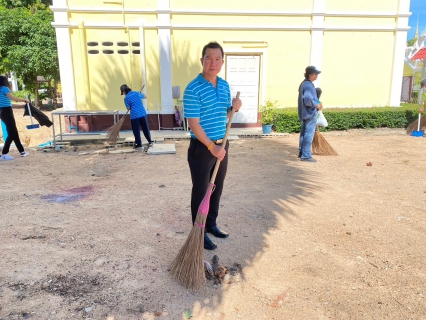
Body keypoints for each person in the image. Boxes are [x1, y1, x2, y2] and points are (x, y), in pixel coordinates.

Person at [183, 41, 242, 250]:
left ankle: (211, 224)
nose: (213, 62)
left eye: (217, 59)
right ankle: (198, 231)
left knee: (216, 188)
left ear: (222, 62)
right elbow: (194, 124)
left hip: (222, 144)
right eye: (209, 58)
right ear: (202, 61)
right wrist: (211, 147)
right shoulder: (193, 88)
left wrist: (233, 108)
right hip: (202, 148)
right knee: (201, 190)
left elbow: (225, 113)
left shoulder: (225, 86)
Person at [0, 76, 30, 160]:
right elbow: (12, 98)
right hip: (7, 112)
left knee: (14, 131)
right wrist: (24, 100)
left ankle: (22, 151)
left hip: (3, 111)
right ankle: (4, 154)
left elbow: (9, 104)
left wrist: (21, 106)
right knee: (12, 133)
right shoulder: (4, 88)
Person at [298, 66, 323, 162]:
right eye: (315, 74)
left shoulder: (304, 84)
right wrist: (316, 105)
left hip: (304, 113)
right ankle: (306, 155)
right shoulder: (308, 85)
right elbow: (308, 100)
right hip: (310, 113)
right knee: (309, 134)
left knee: (304, 133)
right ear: (310, 75)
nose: (317, 76)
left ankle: (302, 152)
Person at [120, 84, 153, 149]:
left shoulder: (126, 98)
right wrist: (140, 94)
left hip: (134, 116)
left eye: (122, 92)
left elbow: (128, 108)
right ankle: (150, 141)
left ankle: (138, 144)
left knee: (136, 130)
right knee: (145, 128)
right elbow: (145, 97)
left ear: (124, 91)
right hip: (142, 114)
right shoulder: (136, 93)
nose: (123, 93)